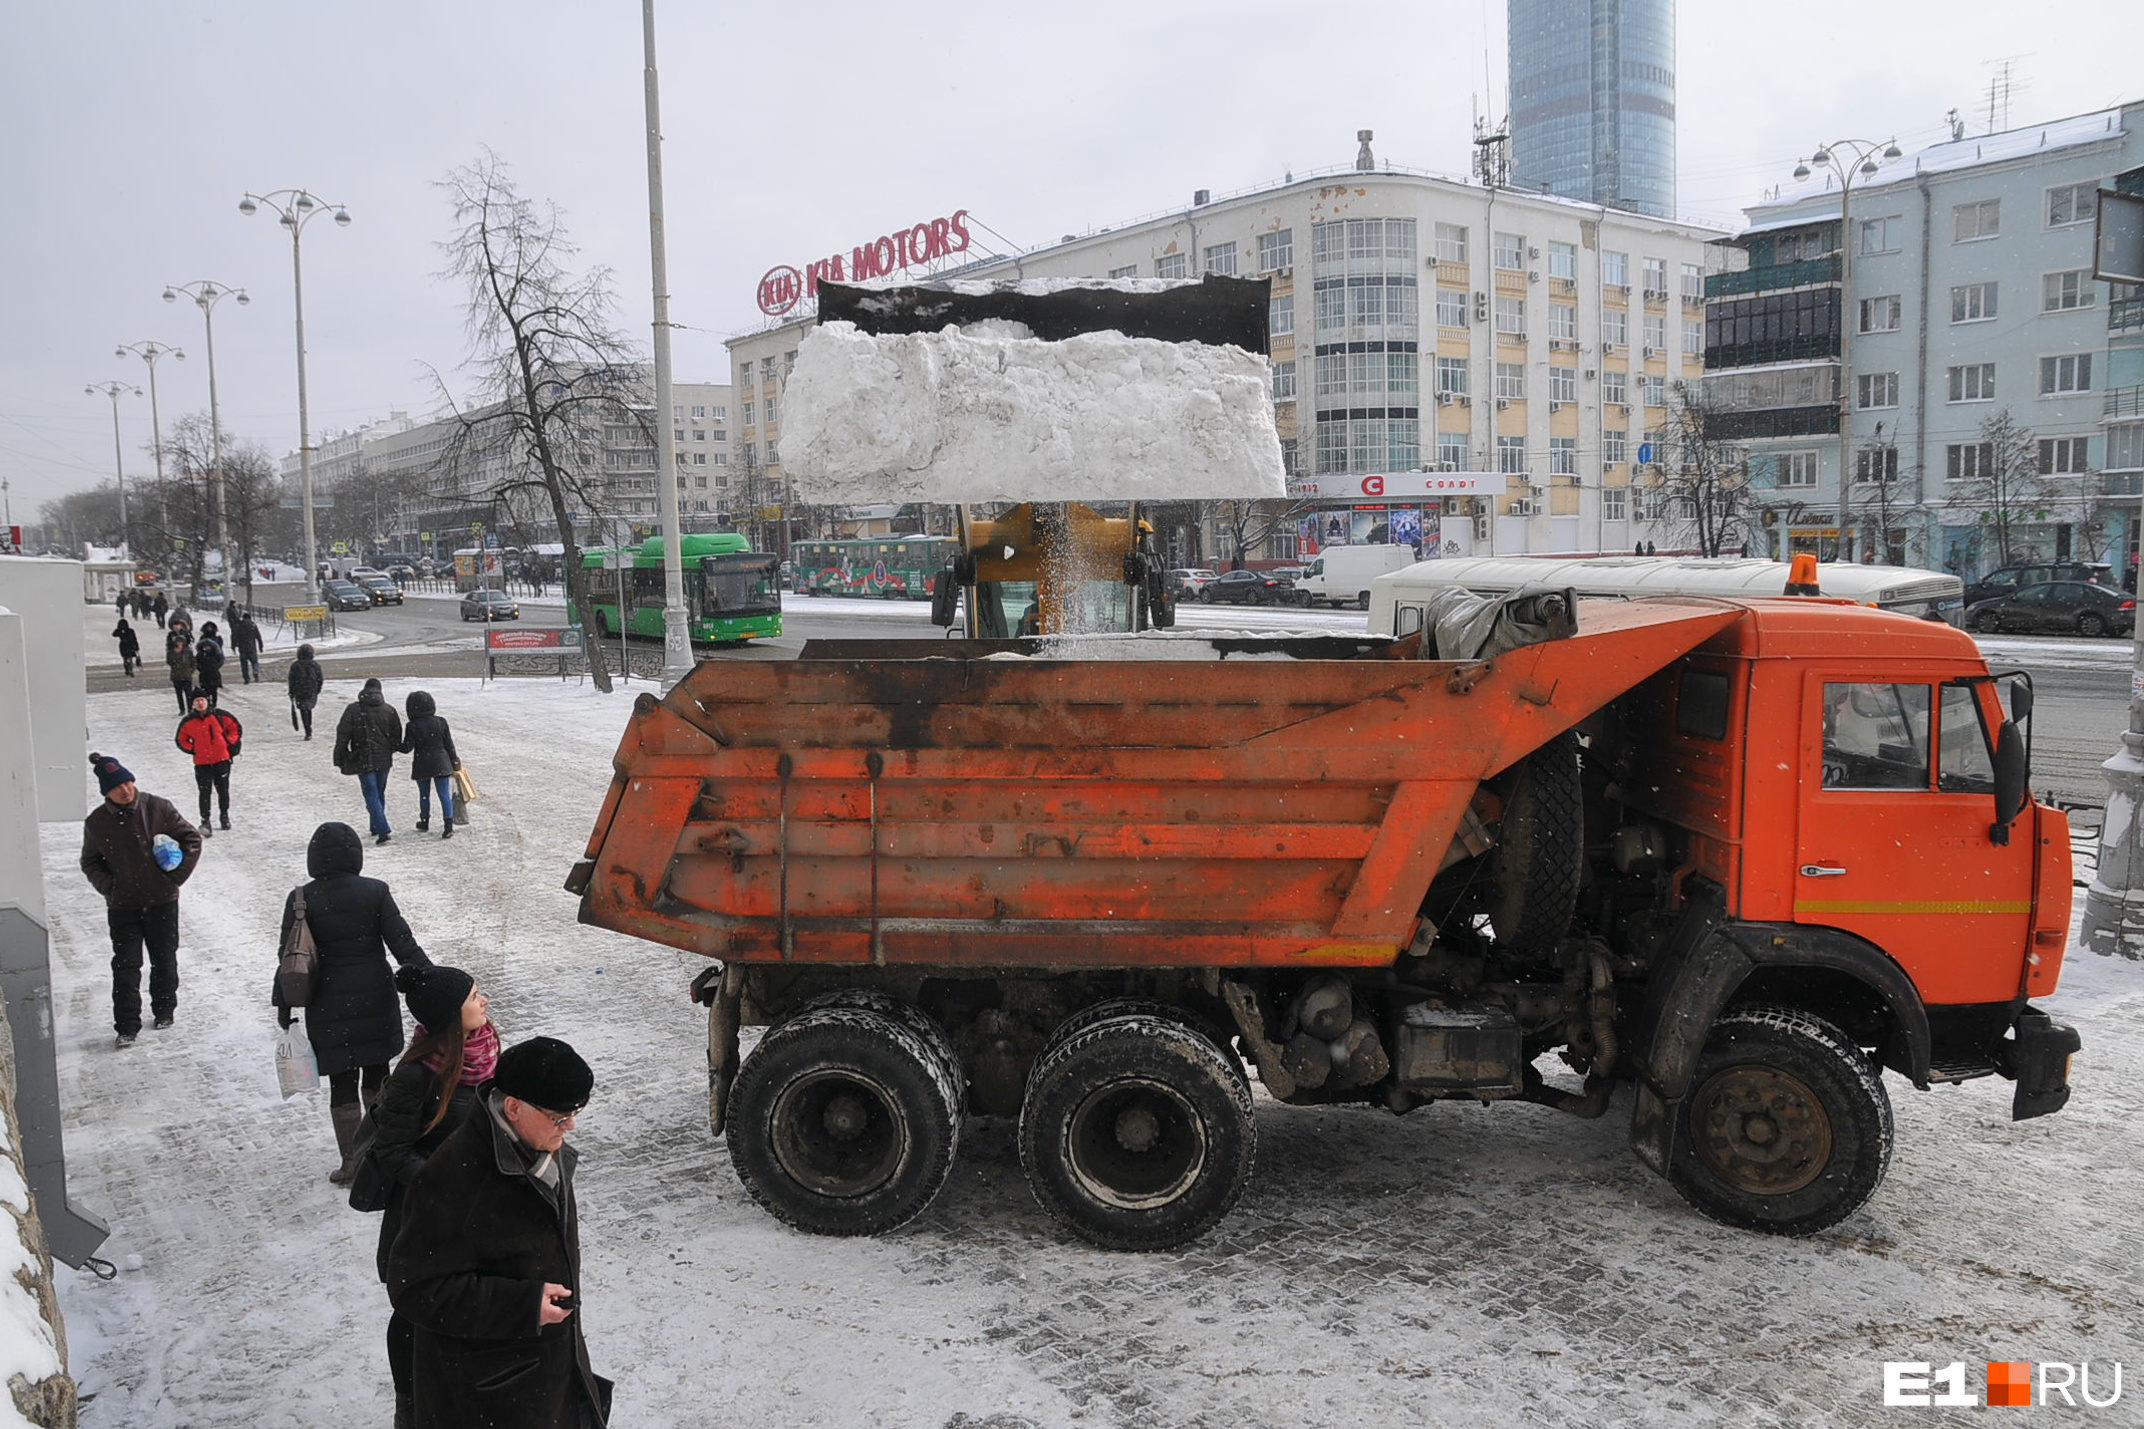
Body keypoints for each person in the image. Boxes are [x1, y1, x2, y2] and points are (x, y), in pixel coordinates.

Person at [388, 1036, 609, 1429]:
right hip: (488, 1398)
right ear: (513, 1108)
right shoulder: (453, 1177)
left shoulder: (537, 1145)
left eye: (575, 1113)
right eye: (561, 1117)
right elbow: (414, 1288)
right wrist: (523, 1305)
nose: (571, 1126)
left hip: (547, 1377)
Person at [274, 822, 434, 1183]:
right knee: (379, 1078)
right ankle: (380, 1153)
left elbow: (288, 954)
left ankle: (350, 1162)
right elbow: (402, 944)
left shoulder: (301, 898)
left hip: (326, 1005)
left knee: (342, 1085)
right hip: (375, 997)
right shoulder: (374, 892)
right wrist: (433, 977)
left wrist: (283, 1003)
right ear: (356, 856)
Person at [371, 965, 493, 1429]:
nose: (484, 1002)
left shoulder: (487, 1054)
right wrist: (446, 1179)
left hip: (477, 1218)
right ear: (448, 1014)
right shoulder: (416, 1076)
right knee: (415, 1316)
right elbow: (390, 1153)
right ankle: (410, 1407)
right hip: (423, 1221)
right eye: (474, 996)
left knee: (468, 1312)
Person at [78, 753, 202, 1049]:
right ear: (106, 792)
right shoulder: (97, 822)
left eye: (128, 782)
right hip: (123, 907)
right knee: (125, 965)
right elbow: (90, 861)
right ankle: (126, 1025)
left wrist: (174, 878)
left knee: (164, 958)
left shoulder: (157, 807)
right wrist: (110, 887)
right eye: (118, 786)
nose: (126, 790)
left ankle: (164, 1009)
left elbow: (192, 840)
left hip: (162, 901)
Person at [334, 677, 403, 844]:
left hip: (363, 757)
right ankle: (376, 825)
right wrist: (389, 749)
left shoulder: (353, 710)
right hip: (384, 759)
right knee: (379, 792)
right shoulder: (389, 710)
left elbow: (342, 735)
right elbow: (397, 735)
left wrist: (339, 756)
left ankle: (382, 829)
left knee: (370, 793)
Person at [174, 693, 243, 834]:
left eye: (202, 700)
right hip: (202, 763)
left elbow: (236, 729)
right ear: (193, 704)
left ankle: (224, 816)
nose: (200, 703)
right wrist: (193, 749)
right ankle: (205, 821)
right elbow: (181, 740)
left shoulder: (220, 716)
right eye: (197, 701)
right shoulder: (188, 721)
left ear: (207, 701)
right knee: (204, 792)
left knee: (223, 790)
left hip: (221, 760)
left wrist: (227, 743)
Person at [399, 692, 461, 839]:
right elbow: (449, 744)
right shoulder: (441, 722)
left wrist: (393, 744)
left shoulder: (412, 725)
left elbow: (407, 748)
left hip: (422, 762)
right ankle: (448, 826)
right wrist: (453, 759)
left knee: (424, 794)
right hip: (441, 761)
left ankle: (424, 820)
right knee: (444, 795)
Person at [287, 642, 325, 740]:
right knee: (308, 709)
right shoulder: (315, 665)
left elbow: (291, 679)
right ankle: (309, 728)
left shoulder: (295, 665)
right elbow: (320, 678)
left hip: (299, 690)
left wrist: (291, 692)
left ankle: (307, 729)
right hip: (311, 689)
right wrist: (317, 689)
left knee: (303, 710)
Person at [165, 623, 198, 716]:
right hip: (176, 676)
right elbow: (169, 661)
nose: (180, 644)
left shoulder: (188, 651)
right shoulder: (171, 652)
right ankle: (182, 709)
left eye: (181, 642)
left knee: (189, 694)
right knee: (179, 694)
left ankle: (190, 708)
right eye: (178, 642)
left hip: (187, 675)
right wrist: (175, 655)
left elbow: (193, 662)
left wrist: (191, 670)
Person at [194, 624, 226, 710]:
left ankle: (214, 704)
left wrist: (215, 667)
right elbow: (197, 663)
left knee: (213, 691)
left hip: (213, 675)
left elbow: (220, 660)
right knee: (206, 691)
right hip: (204, 675)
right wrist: (201, 668)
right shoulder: (200, 655)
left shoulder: (215, 654)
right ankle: (208, 703)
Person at [232, 611, 265, 684]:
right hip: (252, 647)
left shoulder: (239, 625)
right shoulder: (253, 625)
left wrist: (233, 646)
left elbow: (234, 637)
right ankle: (255, 671)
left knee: (244, 665)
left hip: (242, 648)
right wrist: (261, 646)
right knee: (254, 662)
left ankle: (246, 678)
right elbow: (258, 637)